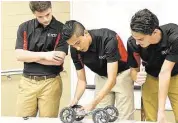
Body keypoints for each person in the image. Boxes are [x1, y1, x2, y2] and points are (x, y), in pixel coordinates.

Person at [61, 20, 134, 120]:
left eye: (78, 43)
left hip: (122, 75)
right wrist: (76, 99)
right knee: (100, 117)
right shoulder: (75, 50)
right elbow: (82, 80)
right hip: (102, 77)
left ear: (85, 33)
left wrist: (92, 104)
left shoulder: (108, 38)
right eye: (72, 45)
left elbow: (112, 80)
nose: (77, 48)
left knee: (125, 117)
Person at [15, 1, 68, 117]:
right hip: (27, 82)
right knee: (22, 120)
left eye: (48, 14)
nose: (45, 19)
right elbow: (19, 55)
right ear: (34, 13)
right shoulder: (24, 27)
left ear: (51, 8)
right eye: (40, 16)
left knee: (47, 120)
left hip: (51, 82)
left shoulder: (62, 29)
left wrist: (29, 56)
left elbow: (58, 59)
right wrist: (45, 55)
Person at [127, 8, 178, 123]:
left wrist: (162, 111)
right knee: (151, 119)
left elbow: (165, 72)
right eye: (134, 38)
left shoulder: (174, 36)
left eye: (140, 39)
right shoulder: (132, 42)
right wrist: (136, 77)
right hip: (151, 77)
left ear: (154, 32)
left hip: (175, 75)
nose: (136, 42)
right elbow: (133, 70)